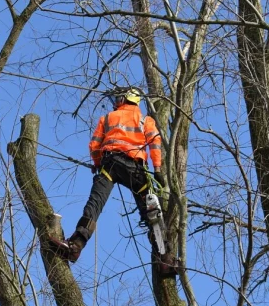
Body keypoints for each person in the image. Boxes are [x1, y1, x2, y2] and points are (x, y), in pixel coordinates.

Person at [51, 87, 177, 275]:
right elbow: (155, 143)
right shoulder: (145, 120)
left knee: (94, 205)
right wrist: (157, 168)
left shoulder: (108, 118)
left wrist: (97, 162)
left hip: (109, 166)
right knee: (152, 211)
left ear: (125, 98)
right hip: (135, 169)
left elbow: (94, 145)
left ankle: (76, 246)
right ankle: (165, 258)